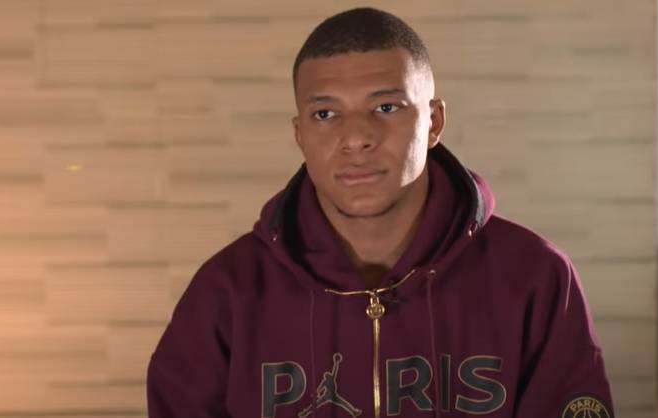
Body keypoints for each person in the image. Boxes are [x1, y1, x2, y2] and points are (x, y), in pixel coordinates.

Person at [146, 7, 614, 418]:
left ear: (434, 122)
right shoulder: (226, 293)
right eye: (325, 114)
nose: (356, 138)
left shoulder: (535, 278)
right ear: (300, 134)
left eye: (386, 106)